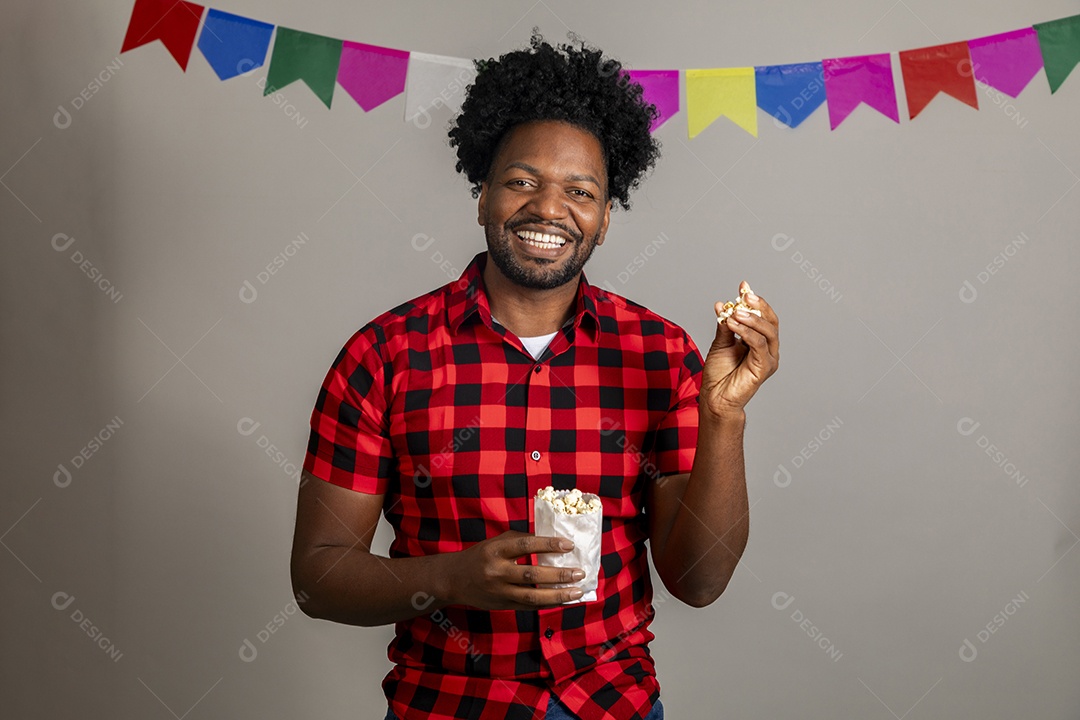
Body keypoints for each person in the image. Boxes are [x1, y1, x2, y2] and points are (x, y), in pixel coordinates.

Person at [291, 34, 780, 720]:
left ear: (605, 219)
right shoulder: (385, 355)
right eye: (523, 181)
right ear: (483, 194)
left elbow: (698, 582)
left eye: (579, 191)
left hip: (613, 704)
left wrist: (724, 418)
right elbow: (318, 579)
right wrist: (454, 578)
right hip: (448, 704)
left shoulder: (661, 354)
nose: (549, 208)